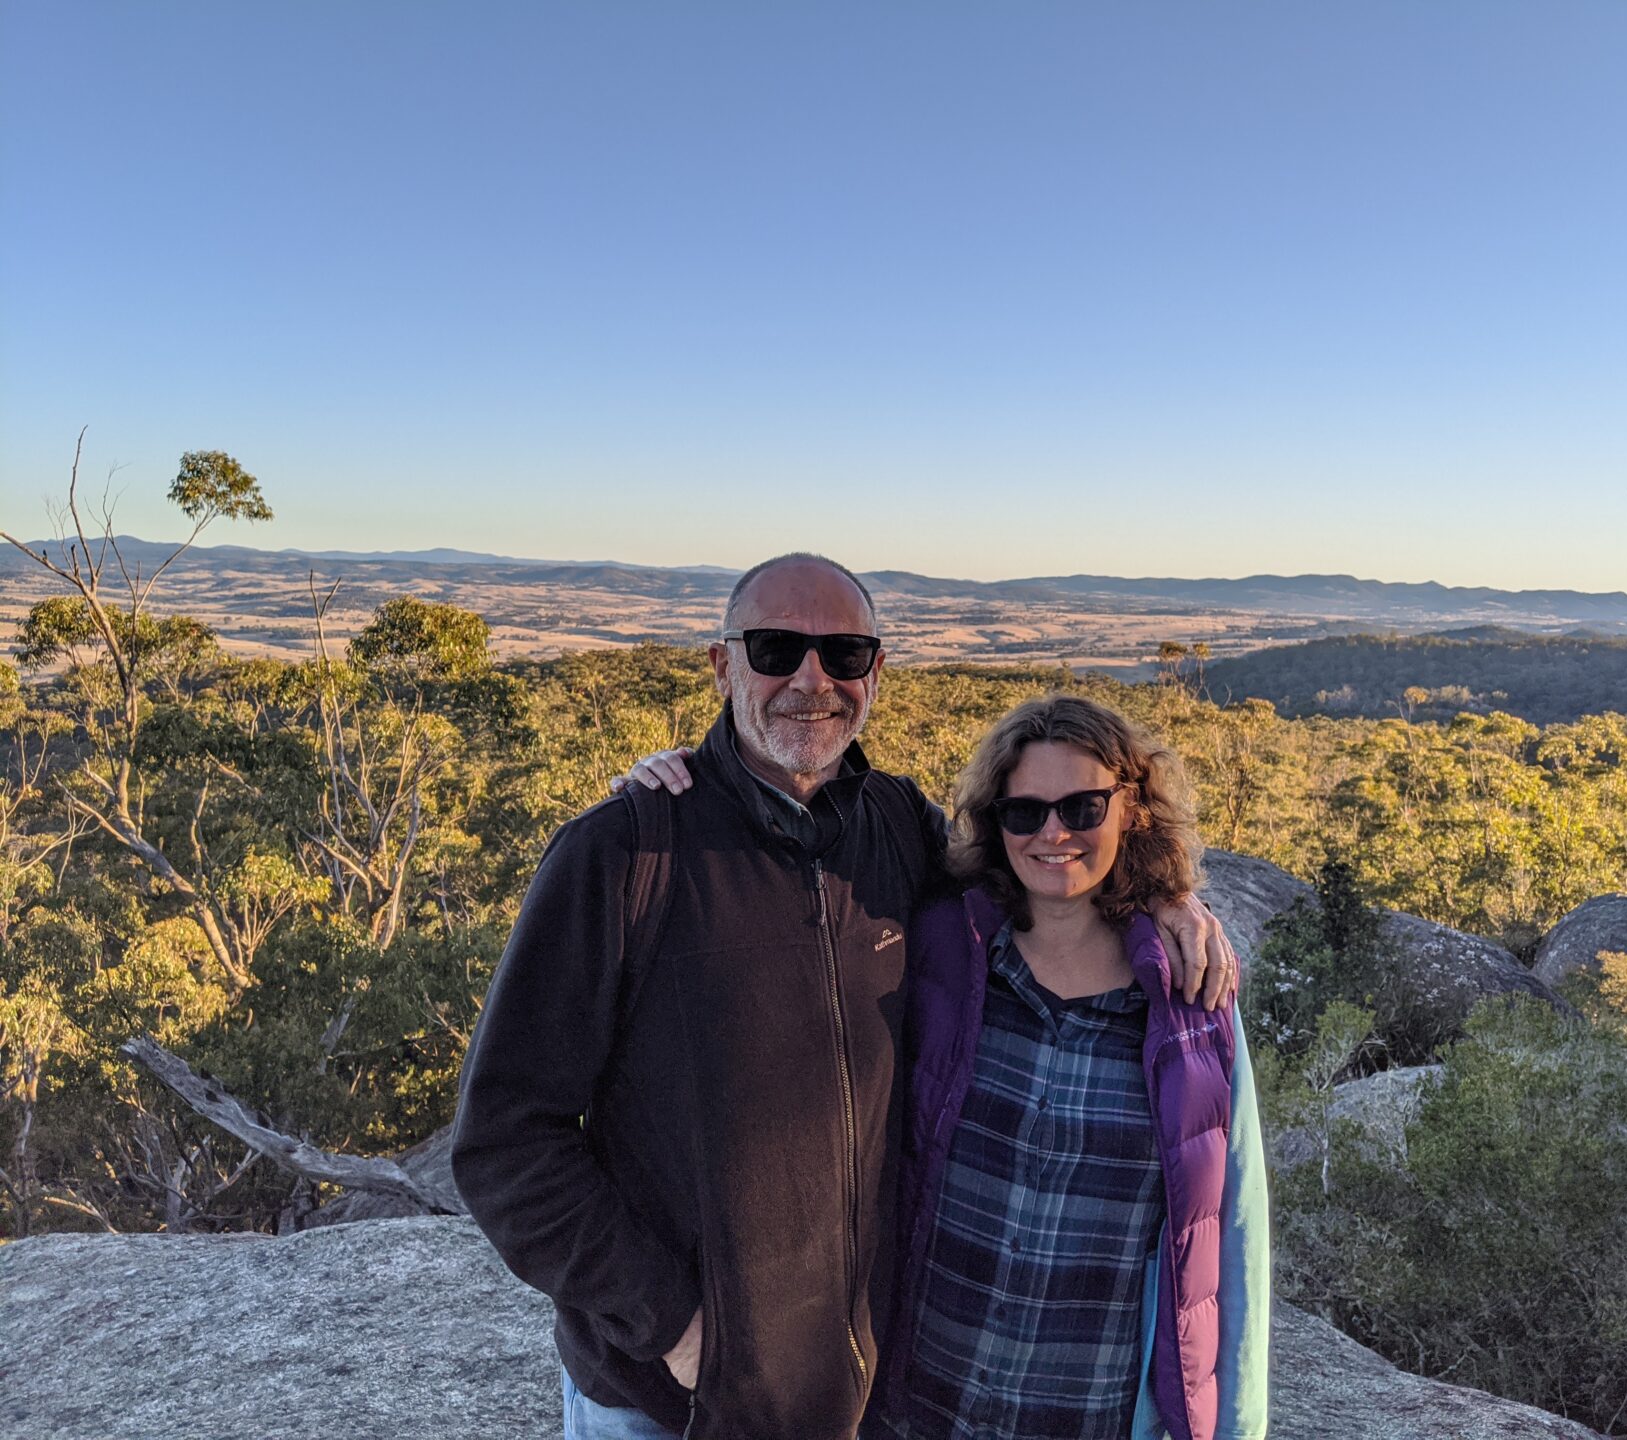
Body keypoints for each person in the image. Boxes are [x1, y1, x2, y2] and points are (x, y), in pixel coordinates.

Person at [451, 553, 1232, 1440]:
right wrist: (670, 1323)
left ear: (876, 672)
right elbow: (505, 1141)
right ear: (723, 666)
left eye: (844, 654)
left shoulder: (899, 829)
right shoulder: (626, 853)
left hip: (849, 1397)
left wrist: (1165, 895)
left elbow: (1043, 873)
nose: (811, 680)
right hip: (668, 1403)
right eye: (777, 649)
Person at [867, 695, 1268, 1440]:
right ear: (996, 824)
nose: (1054, 833)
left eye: (1083, 807)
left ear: (1131, 810)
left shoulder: (1190, 1006)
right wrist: (677, 787)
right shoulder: (940, 961)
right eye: (1025, 813)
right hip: (918, 1408)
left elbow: (1232, 1240)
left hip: (1088, 1415)